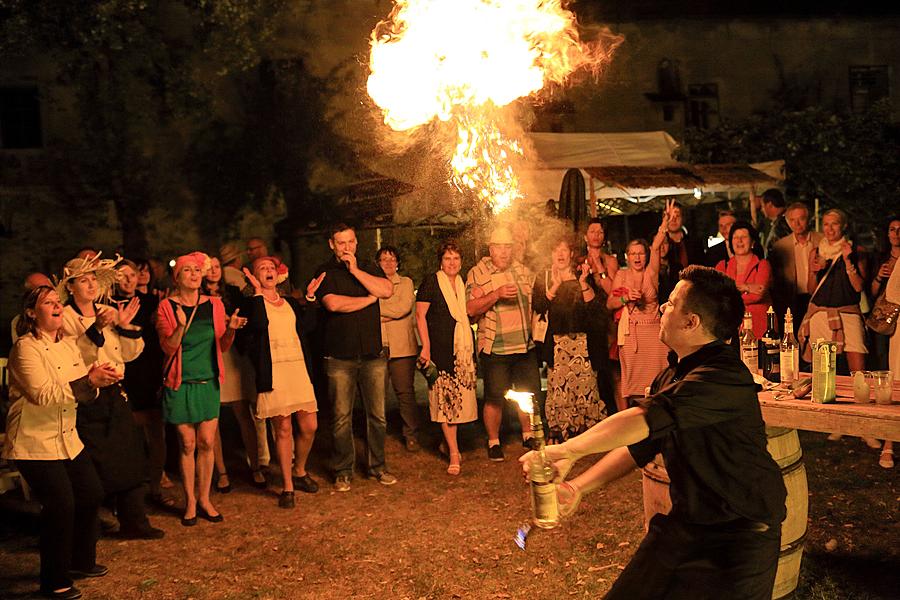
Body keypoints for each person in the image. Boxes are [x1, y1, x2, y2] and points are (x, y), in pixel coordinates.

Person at [522, 266, 787, 600]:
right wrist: (577, 486)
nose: (662, 307)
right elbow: (640, 445)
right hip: (685, 527)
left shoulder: (723, 376)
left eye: (672, 303)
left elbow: (642, 419)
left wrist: (568, 450)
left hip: (738, 539)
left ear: (691, 322)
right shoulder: (671, 375)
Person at [4, 286, 115, 600]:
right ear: (30, 313)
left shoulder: (67, 345)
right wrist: (87, 382)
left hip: (67, 437)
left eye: (57, 301)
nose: (56, 305)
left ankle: (80, 562)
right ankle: (54, 581)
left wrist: (99, 379)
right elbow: (43, 395)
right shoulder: (25, 348)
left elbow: (82, 387)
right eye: (47, 302)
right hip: (33, 440)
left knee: (91, 493)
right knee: (61, 505)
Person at [59, 255, 164, 540]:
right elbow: (75, 355)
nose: (91, 285)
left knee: (129, 456)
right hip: (87, 394)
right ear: (71, 287)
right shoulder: (65, 317)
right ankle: (88, 528)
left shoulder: (107, 309)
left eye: (94, 279)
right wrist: (97, 329)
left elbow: (129, 354)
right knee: (93, 463)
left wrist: (125, 327)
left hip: (116, 393)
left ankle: (134, 522)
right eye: (84, 280)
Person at [156, 252, 246, 526]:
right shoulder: (166, 308)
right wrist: (179, 328)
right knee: (187, 443)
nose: (195, 275)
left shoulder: (215, 305)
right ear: (177, 277)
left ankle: (205, 499)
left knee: (207, 442)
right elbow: (167, 347)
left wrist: (230, 330)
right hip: (180, 383)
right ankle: (190, 502)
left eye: (198, 270)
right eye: (188, 271)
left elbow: (222, 345)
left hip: (208, 381)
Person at [314, 224, 396, 491]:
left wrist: (356, 271)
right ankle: (343, 470)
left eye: (350, 242)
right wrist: (368, 300)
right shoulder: (324, 272)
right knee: (340, 417)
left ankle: (377, 466)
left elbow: (386, 290)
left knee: (378, 416)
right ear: (331, 245)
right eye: (341, 243)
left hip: (372, 355)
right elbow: (333, 304)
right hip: (340, 356)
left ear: (356, 243)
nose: (346, 247)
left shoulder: (369, 268)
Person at [242, 256, 324, 507]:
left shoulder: (289, 302)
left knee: (310, 425)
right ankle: (288, 486)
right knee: (284, 429)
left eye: (271, 268)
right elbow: (257, 325)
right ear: (254, 276)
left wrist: (309, 298)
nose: (268, 271)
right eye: (261, 269)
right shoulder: (252, 304)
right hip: (274, 372)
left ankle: (299, 470)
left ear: (278, 275)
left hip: (297, 369)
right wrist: (257, 294)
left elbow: (308, 327)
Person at [466, 226, 540, 461]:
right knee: (494, 396)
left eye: (508, 247)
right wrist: (496, 294)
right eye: (500, 247)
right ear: (491, 249)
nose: (505, 252)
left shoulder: (522, 271)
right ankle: (494, 441)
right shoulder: (478, 273)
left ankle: (528, 435)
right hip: (495, 346)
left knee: (527, 394)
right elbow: (470, 309)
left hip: (524, 346)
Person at [532, 232, 608, 443]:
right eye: (556, 250)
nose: (560, 254)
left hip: (582, 343)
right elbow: (538, 307)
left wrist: (583, 281)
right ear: (551, 254)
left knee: (585, 388)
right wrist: (555, 285)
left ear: (572, 253)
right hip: (558, 345)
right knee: (559, 391)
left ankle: (586, 431)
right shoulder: (545, 278)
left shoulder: (582, 275)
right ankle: (560, 430)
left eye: (564, 250)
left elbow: (594, 309)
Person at [112, 260, 172, 511]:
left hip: (149, 372)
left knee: (156, 432)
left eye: (132, 275)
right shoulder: (106, 306)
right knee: (127, 437)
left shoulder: (150, 304)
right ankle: (127, 494)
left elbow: (159, 341)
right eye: (122, 275)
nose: (128, 280)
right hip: (122, 375)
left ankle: (156, 487)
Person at [202, 256, 264, 492]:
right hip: (210, 355)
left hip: (234, 356)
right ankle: (222, 472)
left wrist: (235, 324)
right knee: (212, 418)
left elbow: (249, 322)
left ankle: (256, 466)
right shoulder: (197, 298)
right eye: (210, 268)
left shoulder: (234, 293)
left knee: (243, 411)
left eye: (218, 266)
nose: (215, 271)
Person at [416, 241, 477, 475]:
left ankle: (447, 443)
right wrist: (426, 347)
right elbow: (420, 316)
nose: (452, 263)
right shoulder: (431, 282)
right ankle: (453, 452)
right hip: (440, 349)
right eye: (448, 258)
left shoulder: (463, 285)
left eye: (456, 259)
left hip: (461, 351)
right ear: (440, 261)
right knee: (446, 400)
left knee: (461, 398)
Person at [609, 206, 671, 409]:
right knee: (634, 387)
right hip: (631, 334)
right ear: (626, 256)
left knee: (658, 383)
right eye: (632, 253)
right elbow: (609, 303)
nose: (637, 257)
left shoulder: (651, 273)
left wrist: (664, 226)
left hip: (653, 333)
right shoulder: (621, 275)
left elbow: (656, 248)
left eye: (641, 253)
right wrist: (626, 299)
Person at [798, 209, 868, 374]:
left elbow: (858, 287)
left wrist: (848, 260)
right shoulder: (816, 252)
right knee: (823, 372)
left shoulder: (857, 251)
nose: (829, 229)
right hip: (821, 314)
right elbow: (811, 290)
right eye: (826, 224)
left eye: (834, 224)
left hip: (848, 312)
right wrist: (814, 272)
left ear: (843, 226)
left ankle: (860, 398)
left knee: (858, 371)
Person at [376, 246, 421, 451]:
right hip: (378, 345)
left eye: (392, 259)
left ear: (398, 263)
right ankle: (377, 436)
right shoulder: (372, 284)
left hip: (403, 347)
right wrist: (389, 314)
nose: (388, 263)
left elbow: (402, 308)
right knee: (376, 394)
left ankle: (410, 434)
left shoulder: (406, 283)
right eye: (384, 259)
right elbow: (369, 310)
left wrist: (379, 314)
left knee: (405, 393)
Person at [870, 216, 899, 468]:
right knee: (890, 375)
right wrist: (880, 276)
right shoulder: (881, 258)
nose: (897, 234)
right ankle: (888, 441)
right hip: (888, 323)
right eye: (892, 229)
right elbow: (873, 292)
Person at [714, 221, 772, 338]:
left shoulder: (762, 265)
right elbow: (717, 296)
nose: (739, 241)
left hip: (760, 328)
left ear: (752, 242)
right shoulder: (722, 266)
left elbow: (758, 295)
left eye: (744, 237)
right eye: (735, 237)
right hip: (730, 328)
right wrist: (749, 288)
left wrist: (732, 292)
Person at [769, 202, 823, 328]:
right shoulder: (781, 246)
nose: (797, 224)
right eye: (792, 220)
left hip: (818, 298)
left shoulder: (822, 241)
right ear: (787, 222)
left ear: (808, 219)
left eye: (801, 219)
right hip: (792, 301)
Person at [658, 201, 704, 303]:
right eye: (669, 216)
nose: (673, 219)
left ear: (683, 218)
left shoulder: (695, 243)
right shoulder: (659, 246)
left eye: (677, 215)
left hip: (693, 296)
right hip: (667, 298)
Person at [10, 272, 53, 344]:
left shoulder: (64, 312)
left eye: (49, 287)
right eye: (40, 290)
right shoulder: (18, 322)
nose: (48, 292)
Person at [752, 188, 791, 258]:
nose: (762, 210)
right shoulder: (779, 222)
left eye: (762, 206)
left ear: (769, 204)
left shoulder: (783, 223)